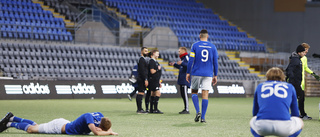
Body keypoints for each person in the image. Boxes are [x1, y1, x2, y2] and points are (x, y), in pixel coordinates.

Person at [250, 67, 304, 137]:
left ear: (267, 76)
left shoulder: (260, 86)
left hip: (263, 125)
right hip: (284, 127)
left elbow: (255, 112)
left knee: (252, 121)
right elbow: (295, 113)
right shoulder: (290, 87)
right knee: (300, 122)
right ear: (282, 76)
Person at [186, 29, 219, 123]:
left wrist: (188, 72)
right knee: (205, 94)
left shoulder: (195, 45)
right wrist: (215, 75)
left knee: (194, 92)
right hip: (208, 74)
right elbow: (215, 62)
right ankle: (203, 118)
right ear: (207, 36)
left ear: (199, 36)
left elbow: (191, 60)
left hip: (196, 72)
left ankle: (197, 111)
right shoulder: (213, 47)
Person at [0, 112, 118, 136]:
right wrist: (109, 133)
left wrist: (109, 130)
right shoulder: (89, 117)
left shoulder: (100, 116)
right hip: (57, 127)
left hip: (63, 123)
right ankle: (8, 124)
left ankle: (13, 117)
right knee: (31, 129)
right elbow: (96, 133)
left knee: (36, 126)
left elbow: (105, 125)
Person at [286, 45, 310, 119]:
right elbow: (289, 69)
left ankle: (293, 113)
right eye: (303, 52)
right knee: (301, 96)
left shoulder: (297, 59)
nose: (304, 53)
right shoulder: (295, 60)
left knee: (292, 98)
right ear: (299, 52)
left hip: (295, 82)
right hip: (294, 83)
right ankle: (302, 114)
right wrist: (292, 79)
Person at [169, 47, 190, 114]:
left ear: (183, 51)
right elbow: (181, 67)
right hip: (182, 79)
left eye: (179, 51)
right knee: (183, 94)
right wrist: (175, 64)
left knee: (185, 94)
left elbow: (189, 65)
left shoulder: (186, 57)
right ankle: (185, 109)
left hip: (185, 79)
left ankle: (187, 109)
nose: (178, 52)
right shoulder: (182, 59)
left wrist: (181, 63)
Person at [148, 50, 163, 114]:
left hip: (155, 80)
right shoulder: (152, 61)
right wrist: (157, 69)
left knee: (153, 94)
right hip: (153, 80)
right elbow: (152, 71)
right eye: (157, 54)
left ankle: (151, 109)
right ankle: (155, 109)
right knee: (158, 93)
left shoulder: (155, 62)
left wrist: (159, 81)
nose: (158, 55)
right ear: (153, 53)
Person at [136, 47, 149, 114]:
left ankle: (139, 109)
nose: (147, 52)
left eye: (147, 51)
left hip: (141, 78)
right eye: (145, 51)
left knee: (141, 92)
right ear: (141, 52)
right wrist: (145, 79)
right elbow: (142, 71)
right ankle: (139, 109)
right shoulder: (141, 59)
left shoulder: (143, 59)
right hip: (141, 78)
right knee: (140, 93)